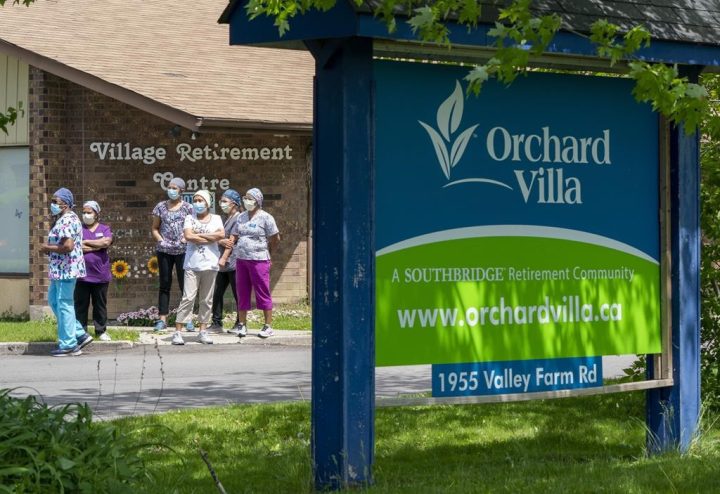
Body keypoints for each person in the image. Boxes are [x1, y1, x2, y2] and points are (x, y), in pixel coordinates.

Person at [219, 187, 279, 338]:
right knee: (242, 292)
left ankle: (267, 326)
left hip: (259, 260)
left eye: (250, 198)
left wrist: (269, 254)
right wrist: (226, 254)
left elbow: (275, 238)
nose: (246, 200)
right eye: (245, 198)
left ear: (258, 201)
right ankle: (242, 324)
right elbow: (235, 236)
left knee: (262, 291)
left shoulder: (266, 217)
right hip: (241, 260)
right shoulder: (241, 217)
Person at [40, 188, 93, 356]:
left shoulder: (68, 220)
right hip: (60, 269)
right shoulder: (63, 219)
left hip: (66, 269)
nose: (53, 204)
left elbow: (68, 246)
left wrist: (47, 247)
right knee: (54, 301)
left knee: (64, 304)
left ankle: (69, 344)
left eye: (56, 201)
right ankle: (79, 333)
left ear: (65, 204)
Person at [172, 190, 224, 345]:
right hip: (192, 265)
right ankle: (177, 332)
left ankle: (203, 331)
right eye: (195, 200)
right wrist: (210, 237)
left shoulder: (216, 218)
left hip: (210, 264)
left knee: (206, 300)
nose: (197, 203)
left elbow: (221, 235)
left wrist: (199, 237)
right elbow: (188, 236)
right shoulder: (189, 218)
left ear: (208, 203)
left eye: (201, 200)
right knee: (188, 298)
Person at [151, 177, 193, 332]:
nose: (171, 190)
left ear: (181, 191)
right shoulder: (160, 207)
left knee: (186, 286)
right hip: (164, 252)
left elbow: (193, 227)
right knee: (165, 284)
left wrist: (184, 238)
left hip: (183, 251)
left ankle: (187, 319)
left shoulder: (188, 208)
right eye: (169, 187)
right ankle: (162, 319)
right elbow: (155, 228)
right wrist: (160, 240)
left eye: (175, 188)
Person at [74, 200, 113, 341]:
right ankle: (81, 332)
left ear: (96, 214)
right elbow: (76, 246)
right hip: (82, 275)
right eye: (84, 212)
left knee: (100, 305)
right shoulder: (78, 228)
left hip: (100, 275)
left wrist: (86, 243)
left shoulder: (104, 228)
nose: (86, 215)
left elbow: (106, 242)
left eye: (89, 212)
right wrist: (97, 246)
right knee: (81, 305)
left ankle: (100, 331)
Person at [208, 189, 243, 333]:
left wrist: (223, 258)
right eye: (221, 201)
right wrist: (220, 240)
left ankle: (240, 323)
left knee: (238, 294)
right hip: (223, 265)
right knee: (217, 293)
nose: (221, 204)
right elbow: (219, 238)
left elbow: (231, 242)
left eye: (224, 201)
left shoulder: (238, 218)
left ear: (234, 203)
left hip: (233, 263)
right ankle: (216, 323)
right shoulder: (225, 219)